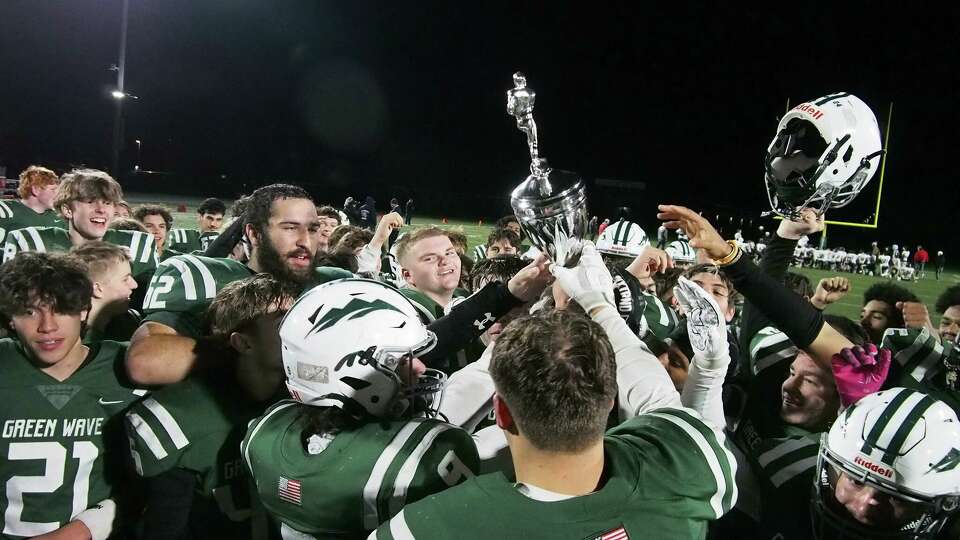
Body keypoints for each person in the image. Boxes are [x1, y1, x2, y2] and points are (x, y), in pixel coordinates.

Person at [373, 307, 737, 539]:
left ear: (501, 412)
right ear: (610, 400)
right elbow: (678, 413)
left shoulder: (425, 528)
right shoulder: (683, 465)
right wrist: (598, 304)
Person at [242, 278, 480, 537]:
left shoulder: (264, 433)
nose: (420, 368)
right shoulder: (419, 460)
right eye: (399, 362)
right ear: (349, 373)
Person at [126, 274, 292, 539]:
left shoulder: (307, 401)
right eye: (283, 322)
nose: (300, 330)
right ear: (243, 343)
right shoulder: (181, 417)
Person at [0, 252, 143, 539]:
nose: (47, 326)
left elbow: (152, 484)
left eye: (62, 309)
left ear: (84, 310)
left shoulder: (128, 367)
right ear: (11, 318)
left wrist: (81, 531)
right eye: (30, 311)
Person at [127, 184, 323, 385]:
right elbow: (145, 362)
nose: (306, 241)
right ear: (254, 234)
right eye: (290, 228)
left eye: (313, 229)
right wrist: (251, 348)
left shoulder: (331, 283)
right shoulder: (205, 277)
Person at [2, 168, 158, 283]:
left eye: (107, 203)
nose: (101, 210)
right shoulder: (31, 242)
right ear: (67, 210)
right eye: (90, 202)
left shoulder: (138, 245)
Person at [71, 241, 141, 343]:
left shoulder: (129, 322)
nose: (135, 285)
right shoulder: (71, 341)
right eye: (125, 279)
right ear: (97, 289)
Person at [0, 165, 64, 245]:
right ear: (36, 190)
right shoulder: (6, 211)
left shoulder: (59, 216)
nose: (58, 194)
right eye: (53, 190)